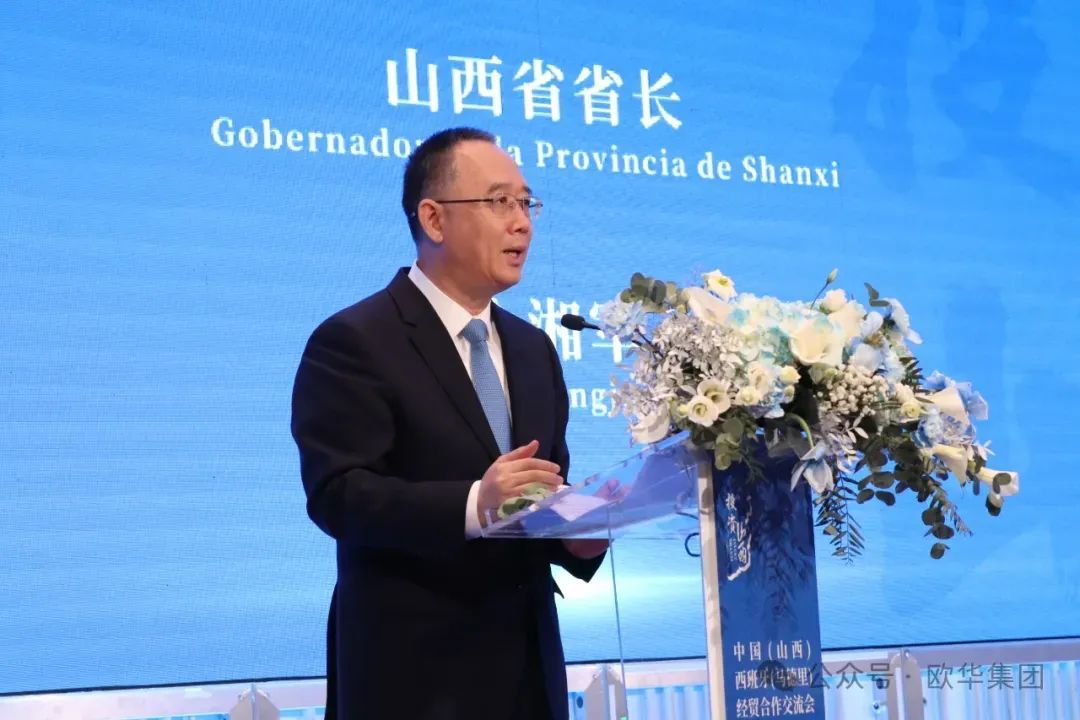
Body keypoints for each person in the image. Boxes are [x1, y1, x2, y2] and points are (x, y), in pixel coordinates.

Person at [290, 127, 608, 720]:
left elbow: (541, 488)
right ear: (434, 219)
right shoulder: (356, 340)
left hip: (528, 675)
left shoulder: (534, 349)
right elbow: (338, 495)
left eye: (527, 203)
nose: (522, 223)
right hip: (413, 677)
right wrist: (473, 505)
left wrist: (578, 536)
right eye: (500, 202)